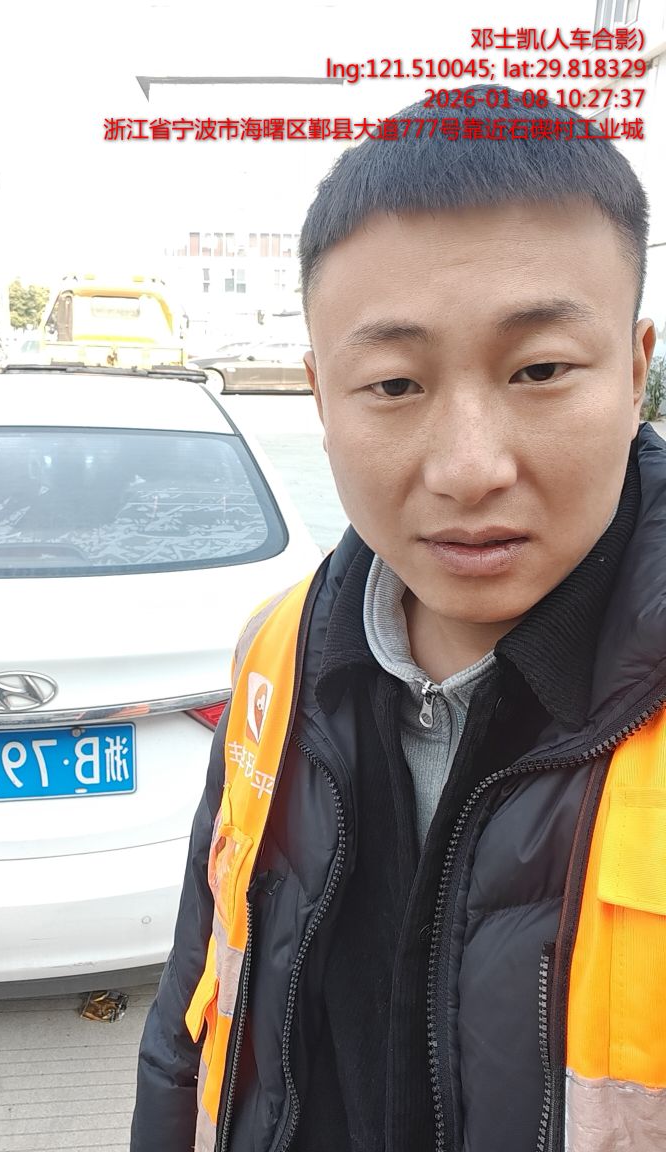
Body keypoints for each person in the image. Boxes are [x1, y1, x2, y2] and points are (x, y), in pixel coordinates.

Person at [130, 84, 663, 1152]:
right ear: (320, 398)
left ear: (638, 371)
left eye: (540, 370)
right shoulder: (279, 654)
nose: (470, 469)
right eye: (393, 385)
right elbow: (192, 1020)